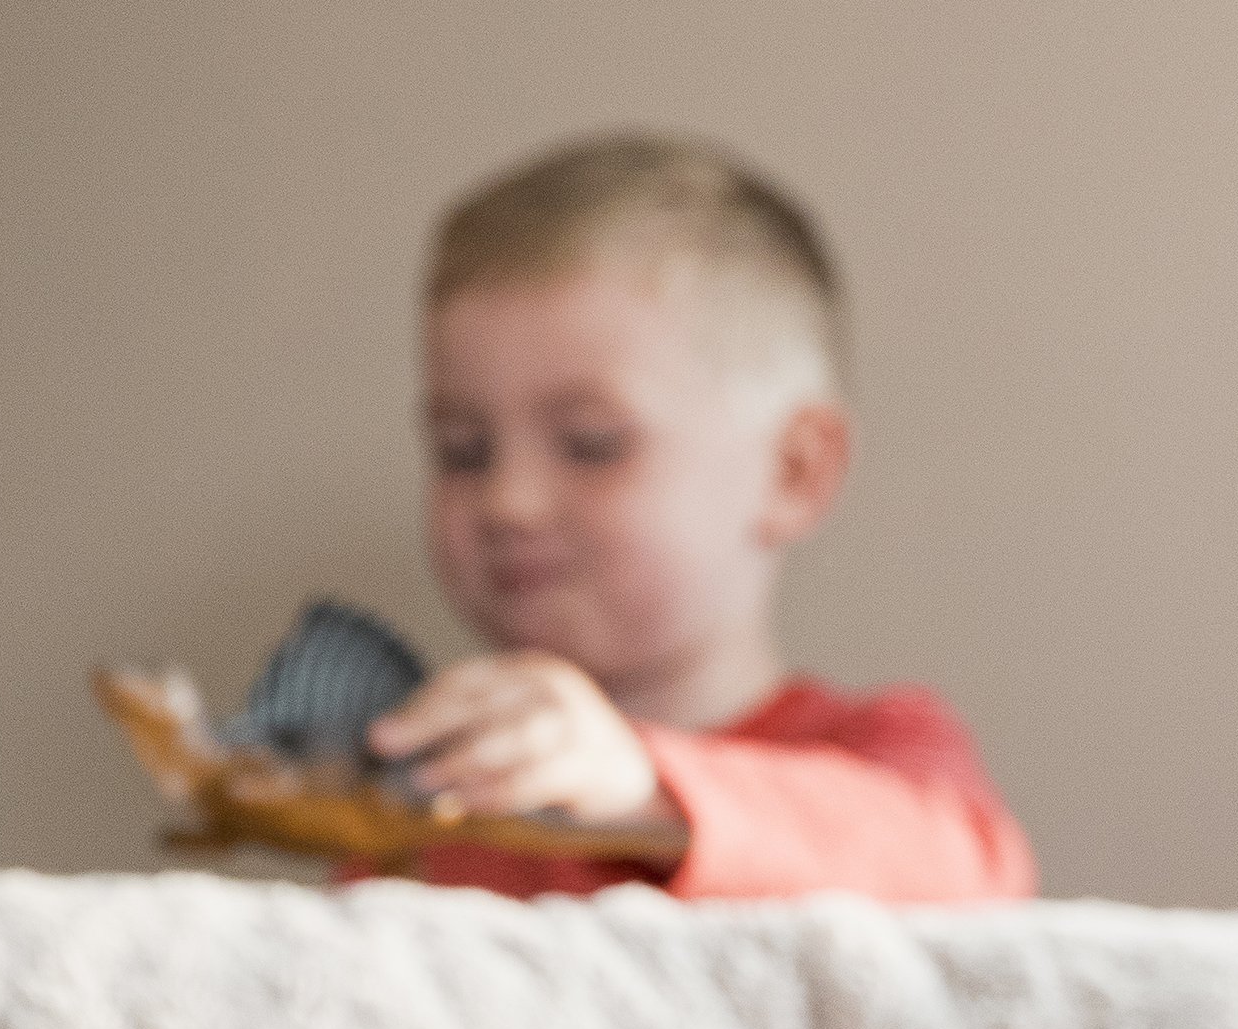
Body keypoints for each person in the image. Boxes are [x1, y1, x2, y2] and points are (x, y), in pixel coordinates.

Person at [357, 132, 1036, 904]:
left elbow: (967, 870)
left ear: (793, 472)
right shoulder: (420, 810)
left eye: (591, 444)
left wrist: (644, 785)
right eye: (463, 450)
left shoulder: (882, 755)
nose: (508, 499)